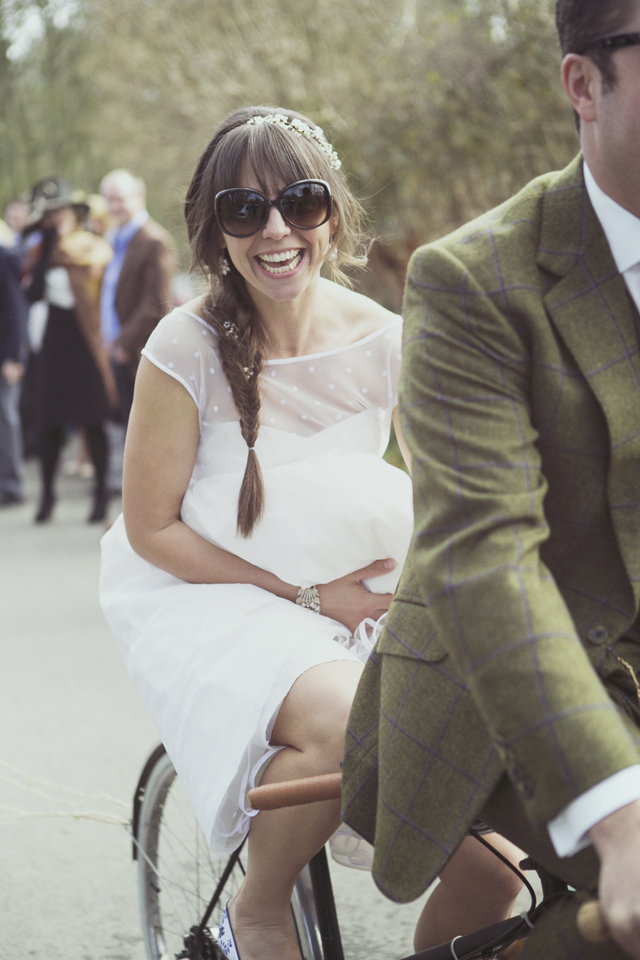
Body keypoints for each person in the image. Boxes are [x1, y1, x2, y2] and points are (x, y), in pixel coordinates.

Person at [100, 107, 526, 960]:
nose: (277, 230)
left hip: (365, 595)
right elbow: (150, 529)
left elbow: (456, 495)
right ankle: (258, 909)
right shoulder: (181, 348)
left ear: (334, 214)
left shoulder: (386, 340)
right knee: (343, 721)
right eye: (244, 210)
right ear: (214, 229)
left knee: (501, 870)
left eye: (299, 201)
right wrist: (305, 595)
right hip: (219, 594)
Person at [342, 1, 640, 958]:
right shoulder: (471, 280)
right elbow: (486, 560)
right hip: (524, 670)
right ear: (584, 84)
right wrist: (621, 809)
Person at [23, 178, 117, 523]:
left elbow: (106, 294)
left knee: (94, 420)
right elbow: (31, 295)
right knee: (50, 422)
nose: (57, 217)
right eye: (50, 213)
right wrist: (47, 246)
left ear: (73, 212)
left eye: (61, 210)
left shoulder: (94, 247)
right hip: (54, 340)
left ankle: (100, 499)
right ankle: (46, 498)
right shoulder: (42, 249)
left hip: (87, 340)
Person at [99, 168, 177, 422]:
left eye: (119, 199)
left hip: (137, 353)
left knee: (144, 430)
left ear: (140, 198)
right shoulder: (117, 238)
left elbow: (156, 304)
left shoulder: (154, 240)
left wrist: (123, 343)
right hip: (118, 350)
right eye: (109, 200)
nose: (114, 206)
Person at [0, 245, 28, 504]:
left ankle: (10, 485)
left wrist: (14, 356)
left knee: (4, 418)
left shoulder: (4, 256)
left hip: (4, 356)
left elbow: (15, 308)